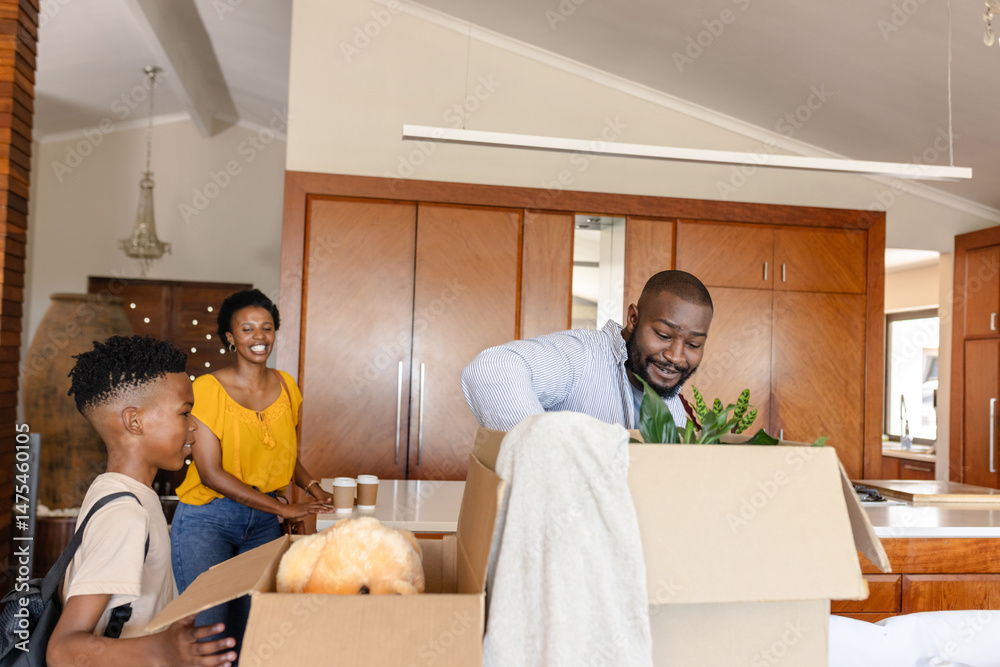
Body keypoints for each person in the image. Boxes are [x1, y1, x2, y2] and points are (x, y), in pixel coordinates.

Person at [49, 334, 237, 667]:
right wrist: (160, 651)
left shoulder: (115, 491)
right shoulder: (125, 515)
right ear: (134, 421)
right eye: (185, 413)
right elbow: (62, 650)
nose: (195, 426)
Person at [170, 289, 331, 656]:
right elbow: (211, 474)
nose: (259, 336)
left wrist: (312, 487)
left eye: (267, 327)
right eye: (247, 329)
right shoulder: (207, 389)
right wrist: (284, 509)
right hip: (208, 521)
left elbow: (281, 452)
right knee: (210, 634)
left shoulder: (287, 386)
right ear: (231, 337)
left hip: (262, 524)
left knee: (254, 631)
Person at [462, 269, 713, 431]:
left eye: (693, 344)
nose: (675, 356)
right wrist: (543, 453)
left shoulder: (675, 409)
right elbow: (492, 369)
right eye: (663, 335)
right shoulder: (582, 356)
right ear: (633, 318)